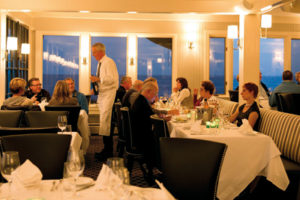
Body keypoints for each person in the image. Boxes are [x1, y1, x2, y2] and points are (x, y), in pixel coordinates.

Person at [90, 42, 119, 161]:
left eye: (94, 52)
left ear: (100, 51)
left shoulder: (109, 62)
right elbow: (103, 80)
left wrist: (98, 79)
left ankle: (108, 151)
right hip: (103, 95)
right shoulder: (100, 63)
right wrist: (95, 87)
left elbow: (112, 79)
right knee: (103, 124)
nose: (93, 55)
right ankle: (105, 149)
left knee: (106, 124)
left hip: (109, 95)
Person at [130, 81, 159, 183]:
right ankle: (161, 167)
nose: (155, 97)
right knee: (163, 139)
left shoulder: (140, 100)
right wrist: (163, 118)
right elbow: (151, 118)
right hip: (141, 139)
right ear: (148, 91)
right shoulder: (142, 103)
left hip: (137, 134)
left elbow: (150, 115)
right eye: (154, 94)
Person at [65, 77, 90, 154]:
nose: (70, 85)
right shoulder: (62, 96)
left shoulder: (81, 96)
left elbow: (85, 111)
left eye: (72, 83)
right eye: (68, 84)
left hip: (77, 120)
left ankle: (82, 150)